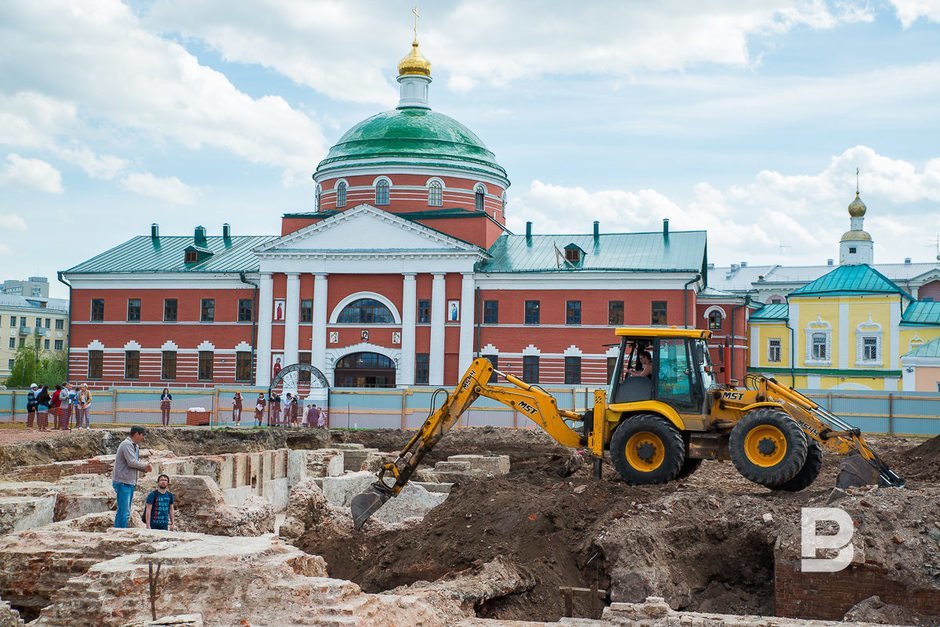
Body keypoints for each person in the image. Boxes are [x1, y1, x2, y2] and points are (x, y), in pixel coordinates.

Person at [112, 426, 153, 528]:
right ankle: (121, 533)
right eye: (142, 435)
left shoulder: (135, 446)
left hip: (129, 482)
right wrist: (145, 466)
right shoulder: (126, 445)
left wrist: (144, 469)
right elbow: (131, 462)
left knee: (123, 511)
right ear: (136, 434)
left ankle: (117, 531)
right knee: (124, 512)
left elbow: (133, 464)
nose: (142, 438)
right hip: (123, 482)